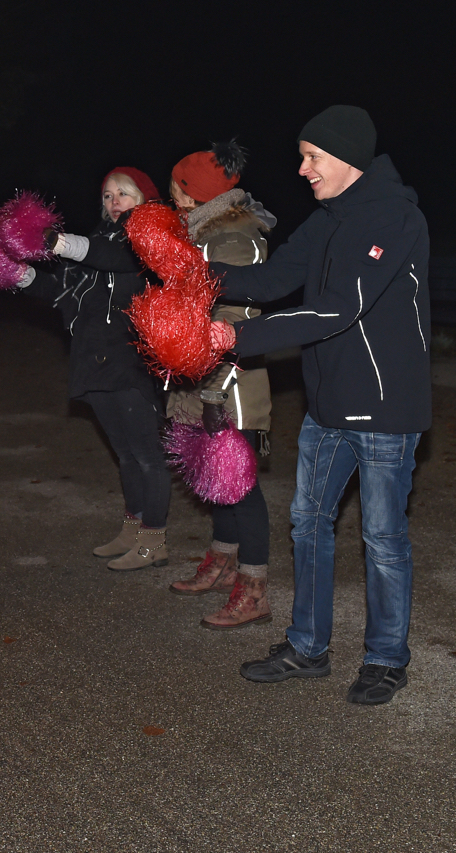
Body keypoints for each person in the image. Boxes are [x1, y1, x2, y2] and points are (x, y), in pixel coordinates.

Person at [209, 106, 431, 704]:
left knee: (383, 539)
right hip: (327, 408)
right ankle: (307, 648)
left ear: (348, 157)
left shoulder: (395, 218)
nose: (303, 169)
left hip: (385, 409)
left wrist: (239, 339)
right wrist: (190, 269)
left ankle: (386, 658)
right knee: (308, 526)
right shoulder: (326, 220)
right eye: (303, 156)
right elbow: (269, 279)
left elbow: (339, 307)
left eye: (313, 157)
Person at [16, 168, 171, 571]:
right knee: (125, 454)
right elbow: (61, 294)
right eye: (107, 195)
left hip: (130, 360)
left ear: (145, 198)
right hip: (94, 359)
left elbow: (117, 259)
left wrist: (60, 242)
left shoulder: (152, 240)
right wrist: (18, 273)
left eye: (124, 192)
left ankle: (155, 540)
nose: (114, 200)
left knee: (147, 455)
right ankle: (132, 527)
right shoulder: (95, 241)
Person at [164, 141, 277, 629]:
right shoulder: (199, 235)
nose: (172, 201)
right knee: (216, 483)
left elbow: (233, 321)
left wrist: (211, 391)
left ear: (194, 195)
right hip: (200, 377)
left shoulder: (236, 239)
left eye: (175, 192)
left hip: (231, 383)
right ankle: (223, 559)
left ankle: (254, 589)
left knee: (241, 488)